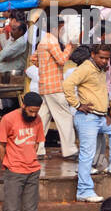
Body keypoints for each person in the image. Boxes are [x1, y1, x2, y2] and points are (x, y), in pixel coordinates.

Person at [64, 44, 111, 203]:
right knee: (87, 155)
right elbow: (67, 84)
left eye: (107, 58)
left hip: (100, 116)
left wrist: (106, 111)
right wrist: (78, 105)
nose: (105, 61)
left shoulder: (102, 68)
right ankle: (84, 191)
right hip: (87, 117)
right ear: (93, 55)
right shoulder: (86, 68)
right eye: (101, 57)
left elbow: (101, 91)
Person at [0, 92, 46, 211]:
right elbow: (0, 145)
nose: (33, 115)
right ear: (23, 106)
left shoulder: (38, 119)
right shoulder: (8, 119)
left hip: (33, 171)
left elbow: (37, 143)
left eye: (36, 112)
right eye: (31, 111)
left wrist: (30, 158)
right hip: (14, 171)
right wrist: (7, 164)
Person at [33, 17, 78, 159]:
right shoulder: (52, 40)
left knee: (42, 119)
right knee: (65, 117)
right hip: (54, 86)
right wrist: (70, 46)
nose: (62, 31)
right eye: (61, 28)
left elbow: (33, 59)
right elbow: (62, 60)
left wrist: (44, 68)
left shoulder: (43, 41)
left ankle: (37, 149)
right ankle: (70, 150)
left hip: (45, 85)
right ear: (56, 27)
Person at [0, 16, 32, 82]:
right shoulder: (13, 39)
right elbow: (4, 52)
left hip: (12, 75)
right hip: (5, 74)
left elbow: (2, 55)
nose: (11, 31)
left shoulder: (21, 42)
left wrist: (0, 57)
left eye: (14, 29)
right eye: (11, 29)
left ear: (21, 31)